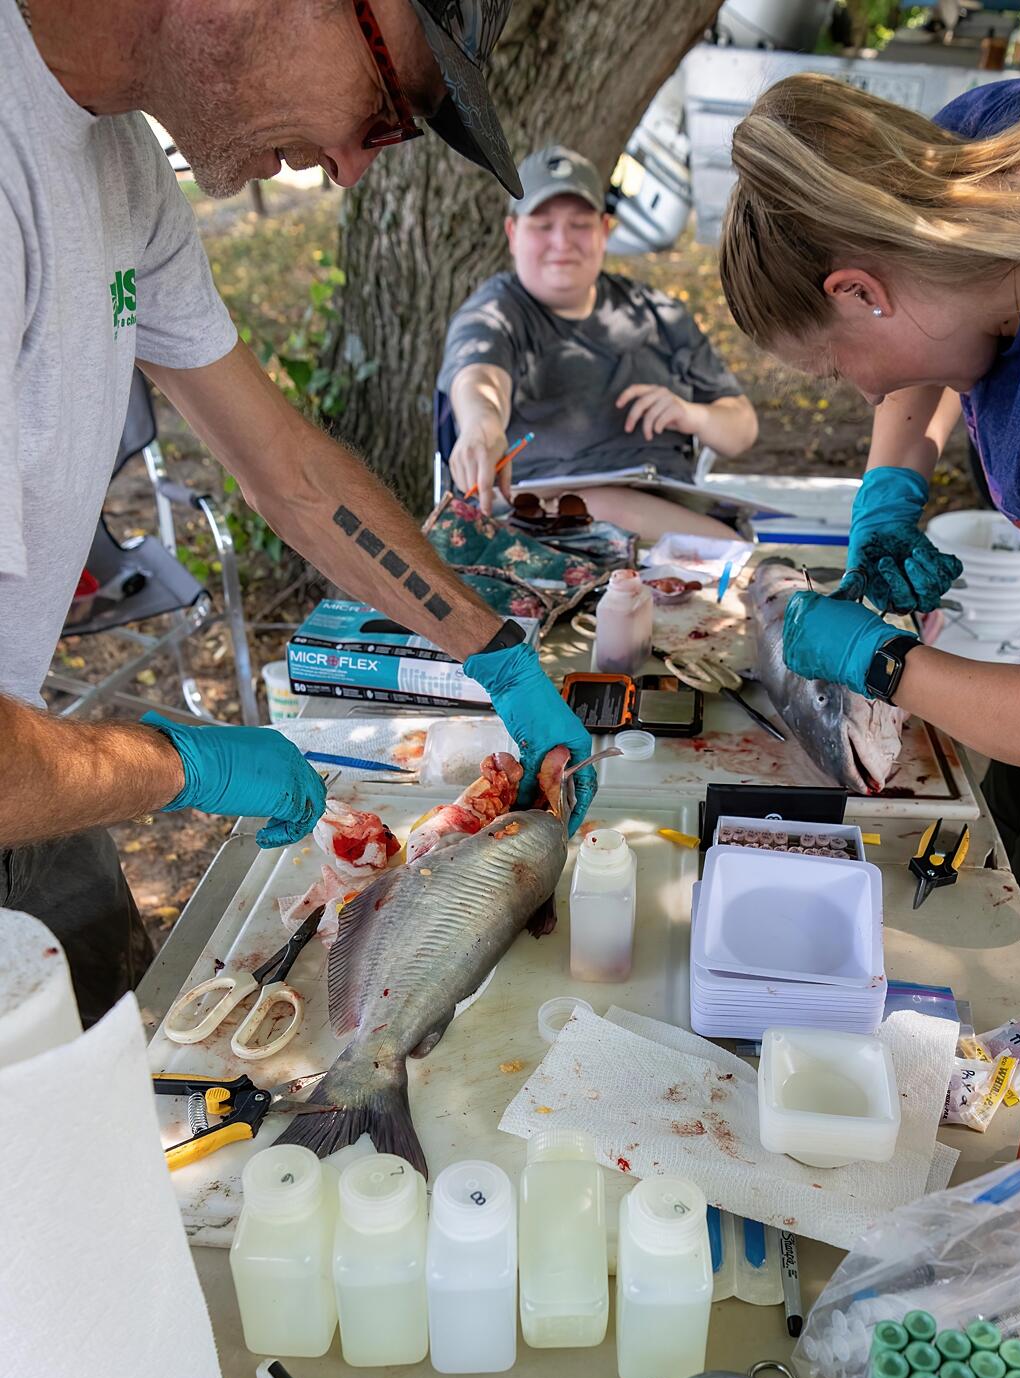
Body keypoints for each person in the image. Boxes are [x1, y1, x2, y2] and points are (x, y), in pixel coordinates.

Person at [1, 0, 594, 1025]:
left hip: (29, 791)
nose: (355, 167)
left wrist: (497, 653)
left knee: (138, 1078)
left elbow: (286, 470)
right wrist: (179, 764)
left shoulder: (123, 168)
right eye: (384, 107)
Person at [719, 72, 1020, 981]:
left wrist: (882, 662)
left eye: (834, 365)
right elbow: (921, 343)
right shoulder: (965, 163)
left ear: (861, 290)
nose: (860, 393)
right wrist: (888, 492)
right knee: (1010, 820)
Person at [440, 143, 758, 537]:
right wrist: (481, 428)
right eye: (542, 225)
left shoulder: (657, 313)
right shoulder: (497, 312)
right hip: (544, 529)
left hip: (665, 522)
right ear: (513, 233)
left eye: (580, 224)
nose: (562, 242)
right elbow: (480, 380)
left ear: (604, 231)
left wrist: (693, 415)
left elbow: (742, 430)